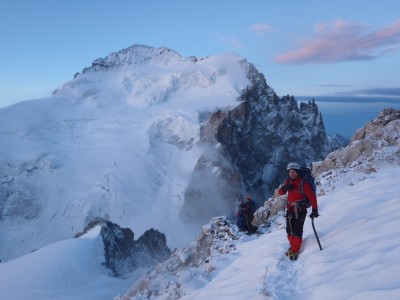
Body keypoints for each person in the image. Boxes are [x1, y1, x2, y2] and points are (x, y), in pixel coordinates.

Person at [278, 162, 319, 260]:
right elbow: (280, 192)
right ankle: (293, 247)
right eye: (290, 172)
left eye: (294, 172)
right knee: (289, 231)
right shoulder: (288, 181)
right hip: (290, 210)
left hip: (300, 210)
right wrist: (285, 187)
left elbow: (312, 198)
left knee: (297, 231)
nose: (292, 174)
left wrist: (314, 210)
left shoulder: (303, 183)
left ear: (297, 172)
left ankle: (295, 251)